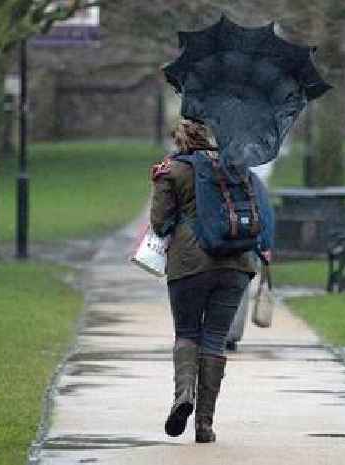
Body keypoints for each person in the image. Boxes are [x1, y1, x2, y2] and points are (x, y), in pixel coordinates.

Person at [150, 119, 256, 443]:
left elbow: (159, 223)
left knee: (186, 333)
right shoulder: (233, 165)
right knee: (215, 338)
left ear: (178, 139)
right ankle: (204, 425)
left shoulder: (172, 170)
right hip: (235, 263)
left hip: (188, 263)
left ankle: (183, 396)